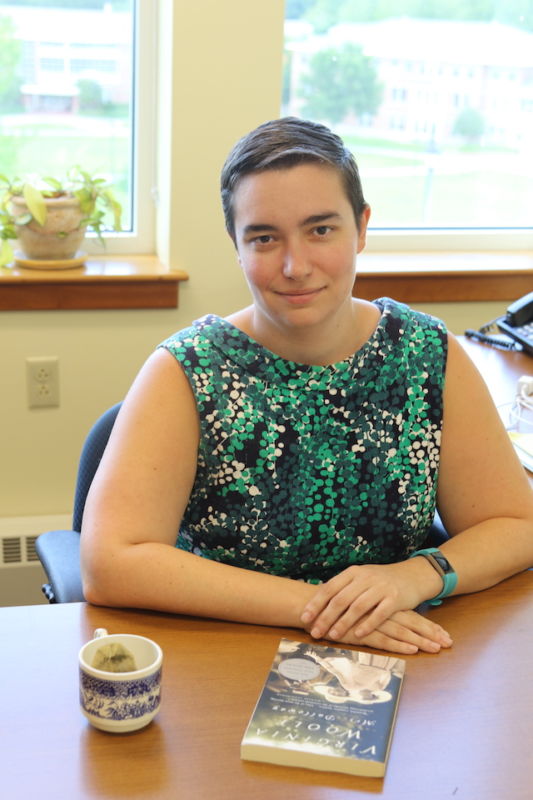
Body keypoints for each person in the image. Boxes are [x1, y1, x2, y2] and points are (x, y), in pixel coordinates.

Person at [81, 117, 533, 655]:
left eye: (321, 229)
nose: (295, 266)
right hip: (223, 655)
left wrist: (416, 575)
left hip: (397, 655)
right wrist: (322, 609)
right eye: (264, 238)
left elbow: (513, 524)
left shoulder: (426, 354)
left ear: (362, 228)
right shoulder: (186, 370)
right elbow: (109, 562)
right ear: (237, 245)